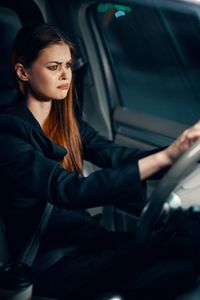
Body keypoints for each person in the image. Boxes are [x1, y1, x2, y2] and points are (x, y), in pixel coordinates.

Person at [0, 23, 200, 300]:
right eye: (53, 67)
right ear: (23, 72)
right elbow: (67, 190)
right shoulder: (8, 134)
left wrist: (179, 152)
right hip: (53, 260)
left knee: (187, 248)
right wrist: (165, 157)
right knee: (176, 269)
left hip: (89, 242)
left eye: (68, 65)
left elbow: (116, 156)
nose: (65, 75)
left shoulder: (67, 122)